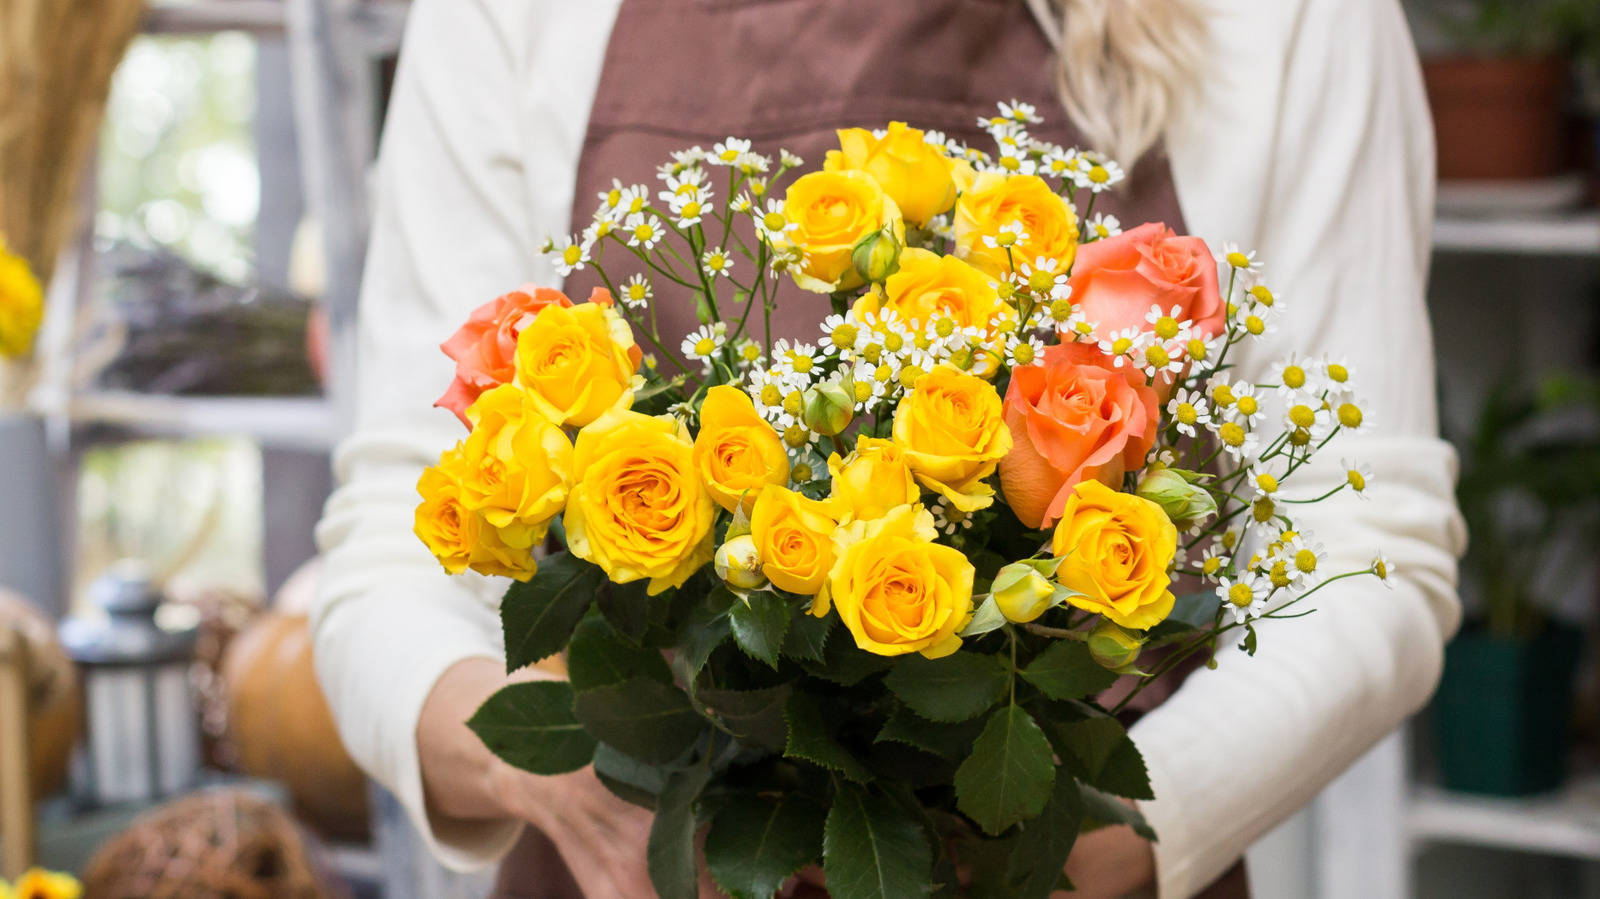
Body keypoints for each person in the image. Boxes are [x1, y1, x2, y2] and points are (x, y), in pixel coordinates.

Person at [310, 0, 1466, 896]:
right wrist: (555, 774)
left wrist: (1107, 840)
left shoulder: (1282, 23)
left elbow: (1369, 549)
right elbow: (395, 539)